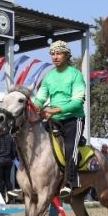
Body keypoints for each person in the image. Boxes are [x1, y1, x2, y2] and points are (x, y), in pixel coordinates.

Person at [32, 40, 86, 198]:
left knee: (70, 148)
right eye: (52, 53)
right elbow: (40, 98)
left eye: (58, 53)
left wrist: (54, 110)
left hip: (73, 120)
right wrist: (34, 107)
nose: (55, 56)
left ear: (66, 55)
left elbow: (77, 102)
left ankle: (70, 183)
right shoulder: (49, 76)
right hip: (53, 120)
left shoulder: (75, 74)